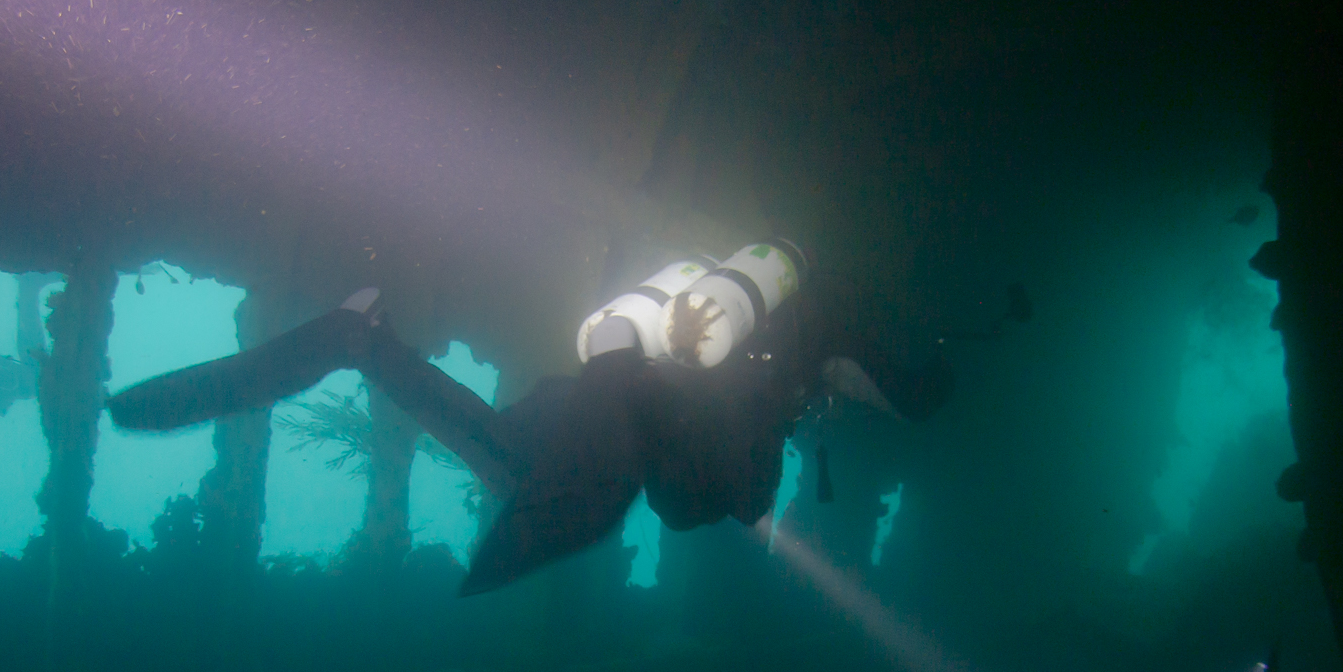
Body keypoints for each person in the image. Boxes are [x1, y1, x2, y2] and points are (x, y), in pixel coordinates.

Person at [106, 241, 954, 593]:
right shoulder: (809, 349)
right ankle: (365, 342)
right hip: (641, 426)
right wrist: (930, 381)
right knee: (671, 496)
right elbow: (898, 398)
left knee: (509, 455)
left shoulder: (743, 319)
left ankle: (365, 339)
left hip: (594, 401)